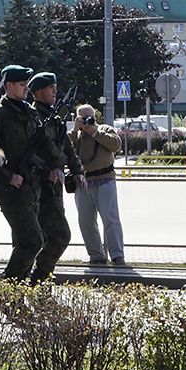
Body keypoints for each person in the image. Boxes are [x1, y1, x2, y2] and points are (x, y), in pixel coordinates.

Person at [0, 65, 66, 282]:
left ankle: (18, 287)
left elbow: (45, 144)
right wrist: (5, 170)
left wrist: (57, 165)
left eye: (27, 85)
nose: (26, 89)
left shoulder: (30, 113)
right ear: (8, 85)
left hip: (32, 187)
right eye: (22, 85)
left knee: (29, 241)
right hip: (10, 188)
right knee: (31, 241)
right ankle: (9, 287)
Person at [27, 72, 86, 282]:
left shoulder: (55, 118)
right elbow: (30, 154)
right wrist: (50, 170)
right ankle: (38, 277)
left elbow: (68, 149)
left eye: (55, 86)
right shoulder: (33, 117)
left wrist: (77, 171)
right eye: (50, 87)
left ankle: (41, 279)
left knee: (51, 237)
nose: (55, 91)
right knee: (59, 236)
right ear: (37, 92)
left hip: (53, 188)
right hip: (37, 186)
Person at [68, 104, 125, 265]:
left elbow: (116, 145)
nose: (87, 122)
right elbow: (63, 148)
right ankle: (96, 255)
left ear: (95, 117)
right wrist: (74, 130)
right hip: (83, 182)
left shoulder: (105, 129)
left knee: (110, 219)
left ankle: (117, 255)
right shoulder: (76, 136)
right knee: (85, 221)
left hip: (105, 179)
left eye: (89, 118)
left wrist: (95, 133)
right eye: (82, 119)